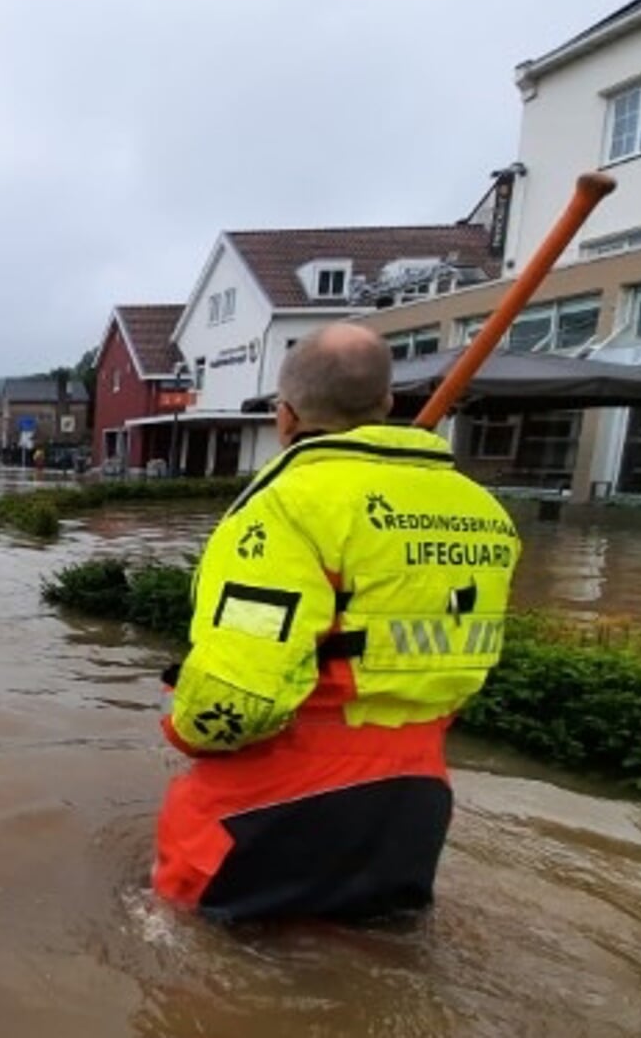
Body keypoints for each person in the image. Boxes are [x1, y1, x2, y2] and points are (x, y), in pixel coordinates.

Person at [153, 324, 521, 923]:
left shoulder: (287, 507)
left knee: (181, 976)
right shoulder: (483, 510)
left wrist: (184, 728)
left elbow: (239, 691)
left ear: (286, 416)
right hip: (416, 805)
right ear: (387, 406)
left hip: (267, 805)